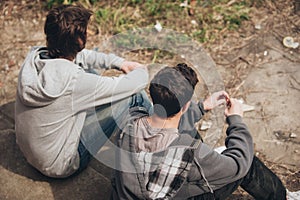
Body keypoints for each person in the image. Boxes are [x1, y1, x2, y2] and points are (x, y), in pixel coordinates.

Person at [111, 63, 286, 199]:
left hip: (131, 193)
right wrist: (236, 120)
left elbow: (164, 124)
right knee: (248, 165)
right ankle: (283, 197)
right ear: (186, 105)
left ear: (153, 96)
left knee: (188, 134)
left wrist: (202, 107)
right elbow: (239, 164)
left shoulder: (129, 125)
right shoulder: (191, 153)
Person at [15, 5, 151, 178]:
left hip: (32, 151)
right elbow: (132, 84)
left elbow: (83, 56)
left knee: (89, 68)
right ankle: (165, 135)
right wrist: (143, 71)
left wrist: (119, 63)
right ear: (80, 41)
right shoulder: (75, 82)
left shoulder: (34, 56)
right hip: (60, 163)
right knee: (134, 97)